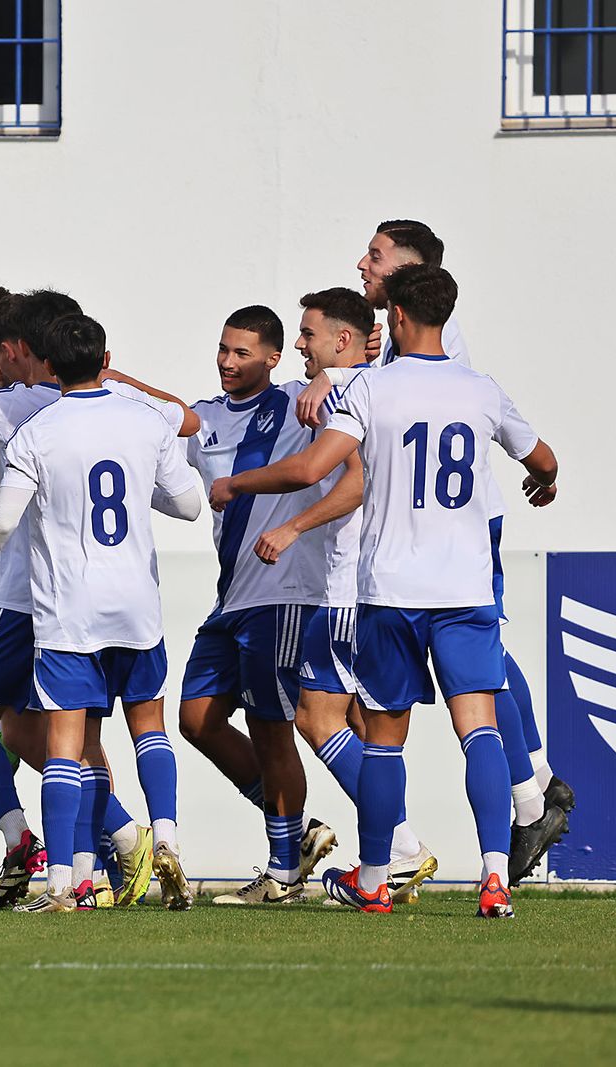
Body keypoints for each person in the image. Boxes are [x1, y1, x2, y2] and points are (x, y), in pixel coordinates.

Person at [213, 264, 559, 919]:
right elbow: (541, 457)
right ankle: (494, 878)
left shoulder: (374, 389)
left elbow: (316, 468)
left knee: (382, 738)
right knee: (479, 727)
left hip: (391, 589)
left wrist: (239, 483)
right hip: (464, 588)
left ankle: (375, 874)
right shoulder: (480, 390)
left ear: (396, 317)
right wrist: (546, 480)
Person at [0, 313, 202, 912]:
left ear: (46, 362)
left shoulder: (38, 432)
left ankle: (65, 882)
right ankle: (165, 836)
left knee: (65, 744)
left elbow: (6, 520)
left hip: (70, 610)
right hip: (138, 607)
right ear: (106, 358)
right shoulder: (144, 421)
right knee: (148, 728)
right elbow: (191, 504)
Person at [251, 288, 438, 901]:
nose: (298, 344)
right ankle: (390, 857)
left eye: (307, 334)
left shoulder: (352, 393)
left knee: (316, 717)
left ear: (342, 340)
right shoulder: (371, 383)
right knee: (356, 721)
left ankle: (399, 849)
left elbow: (349, 481)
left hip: (349, 587)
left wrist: (286, 521)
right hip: (368, 585)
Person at [176, 306, 333, 905]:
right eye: (223, 350)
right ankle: (300, 832)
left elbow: (351, 368)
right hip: (232, 597)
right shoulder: (206, 419)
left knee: (273, 730)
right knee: (197, 720)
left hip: (282, 591)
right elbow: (166, 411)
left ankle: (284, 872)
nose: (227, 362)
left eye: (242, 353)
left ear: (273, 358)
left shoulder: (300, 404)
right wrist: (112, 380)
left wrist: (329, 374)